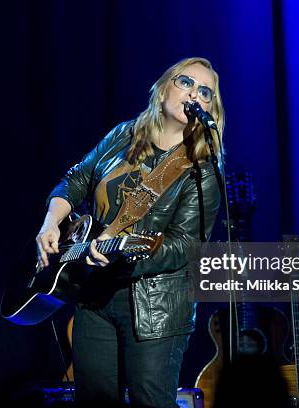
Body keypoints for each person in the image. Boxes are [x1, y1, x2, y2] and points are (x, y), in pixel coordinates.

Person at [36, 57, 224, 408]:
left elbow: (185, 246)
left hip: (155, 307)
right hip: (94, 296)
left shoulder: (203, 168)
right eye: (186, 83)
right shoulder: (125, 134)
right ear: (164, 86)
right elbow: (77, 178)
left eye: (205, 92)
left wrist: (124, 249)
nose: (195, 95)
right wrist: (51, 221)